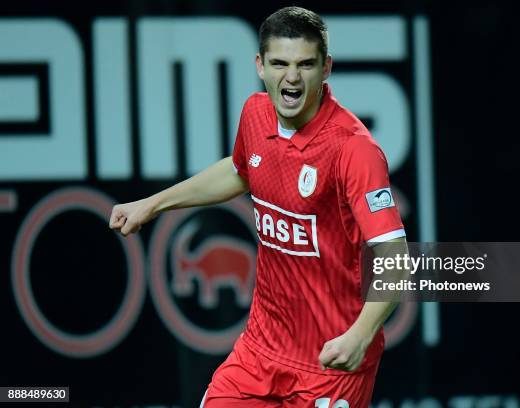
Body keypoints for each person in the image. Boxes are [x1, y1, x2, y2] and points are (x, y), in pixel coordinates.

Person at [109, 6, 407, 408]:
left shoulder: (354, 150)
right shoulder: (255, 114)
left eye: (305, 64)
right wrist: (153, 204)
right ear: (260, 65)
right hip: (260, 352)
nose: (292, 78)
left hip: (330, 364)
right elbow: (238, 171)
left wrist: (360, 334)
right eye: (279, 63)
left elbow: (396, 261)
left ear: (326, 68)